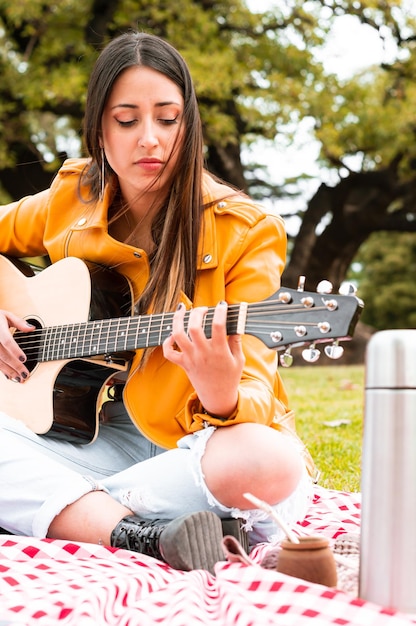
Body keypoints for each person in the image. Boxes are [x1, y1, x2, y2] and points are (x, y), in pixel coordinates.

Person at [0, 31, 315, 573]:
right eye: (127, 120)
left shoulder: (246, 230)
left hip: (199, 448)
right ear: (100, 128)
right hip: (98, 436)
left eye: (167, 119)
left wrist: (220, 396)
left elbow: (257, 391)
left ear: (188, 123)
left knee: (269, 463)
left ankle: (70, 510)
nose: (150, 139)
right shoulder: (70, 199)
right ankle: (140, 531)